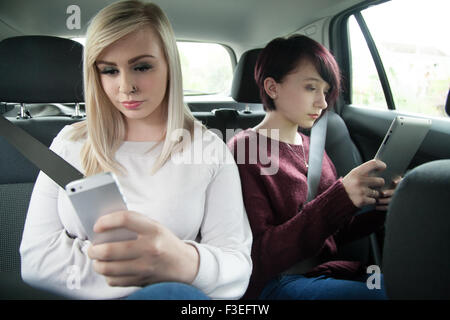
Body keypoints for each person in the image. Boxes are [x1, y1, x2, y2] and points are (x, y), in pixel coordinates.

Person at [20, 0, 252, 300]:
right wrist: (154, 270)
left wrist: (183, 261)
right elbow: (36, 259)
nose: (126, 86)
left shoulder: (209, 150)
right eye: (109, 71)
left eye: (141, 67)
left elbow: (236, 266)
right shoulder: (69, 144)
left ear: (169, 65)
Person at [227, 35, 400, 300]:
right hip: (275, 281)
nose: (322, 102)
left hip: (324, 272)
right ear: (272, 88)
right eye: (311, 88)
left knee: (414, 283)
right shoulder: (244, 151)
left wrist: (379, 210)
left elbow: (333, 235)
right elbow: (260, 255)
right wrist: (339, 198)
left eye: (325, 90)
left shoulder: (313, 146)